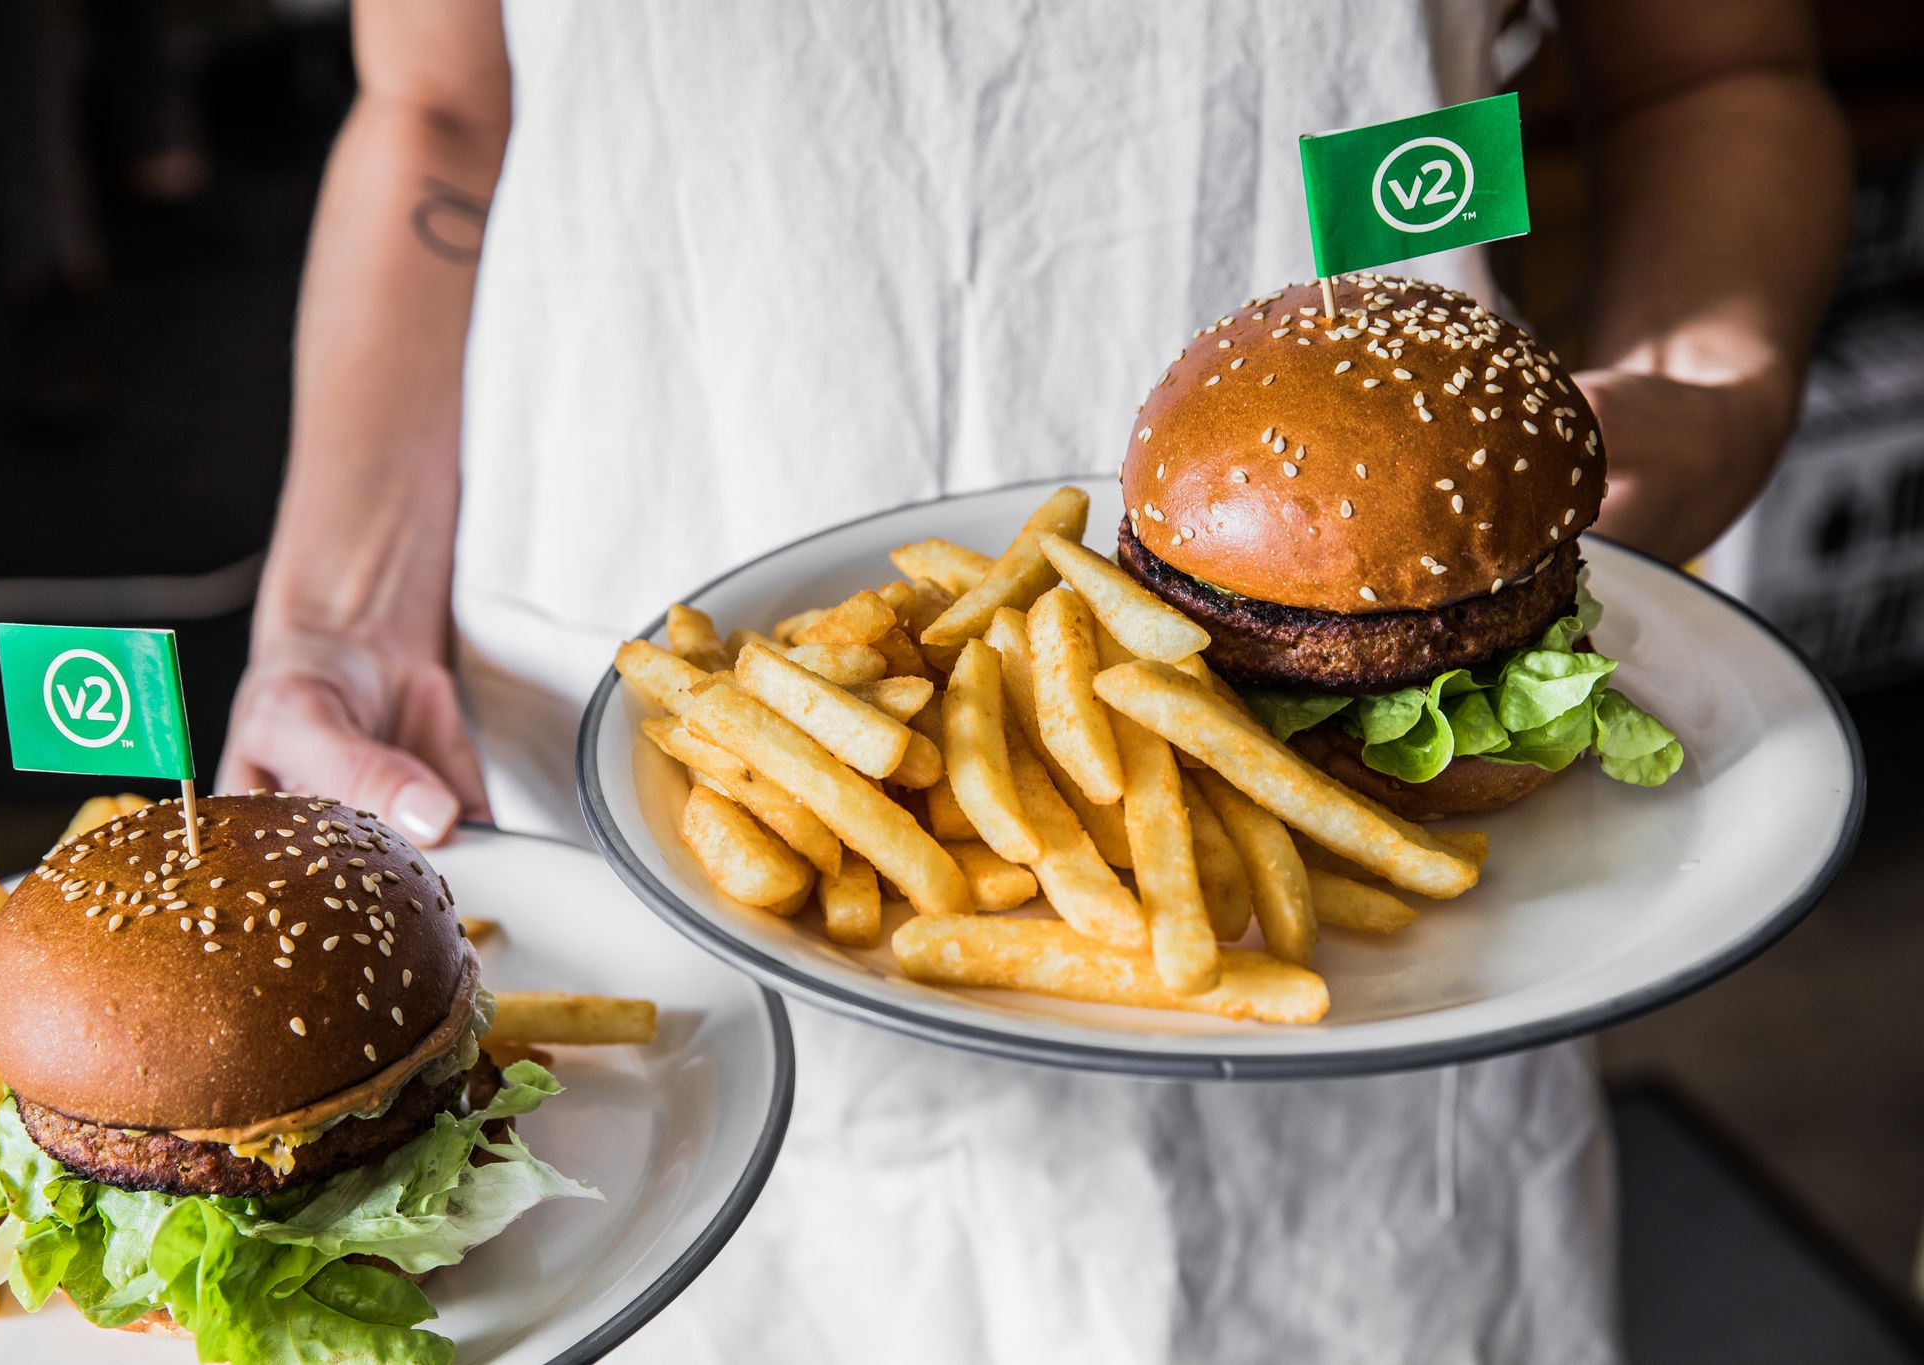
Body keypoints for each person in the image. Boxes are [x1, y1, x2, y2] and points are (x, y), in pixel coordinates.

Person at [218, 2, 1849, 1359]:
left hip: (1402, 1014)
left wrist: (1713, 383)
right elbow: (437, 108)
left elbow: (1708, 70)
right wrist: (333, 619)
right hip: (654, 800)